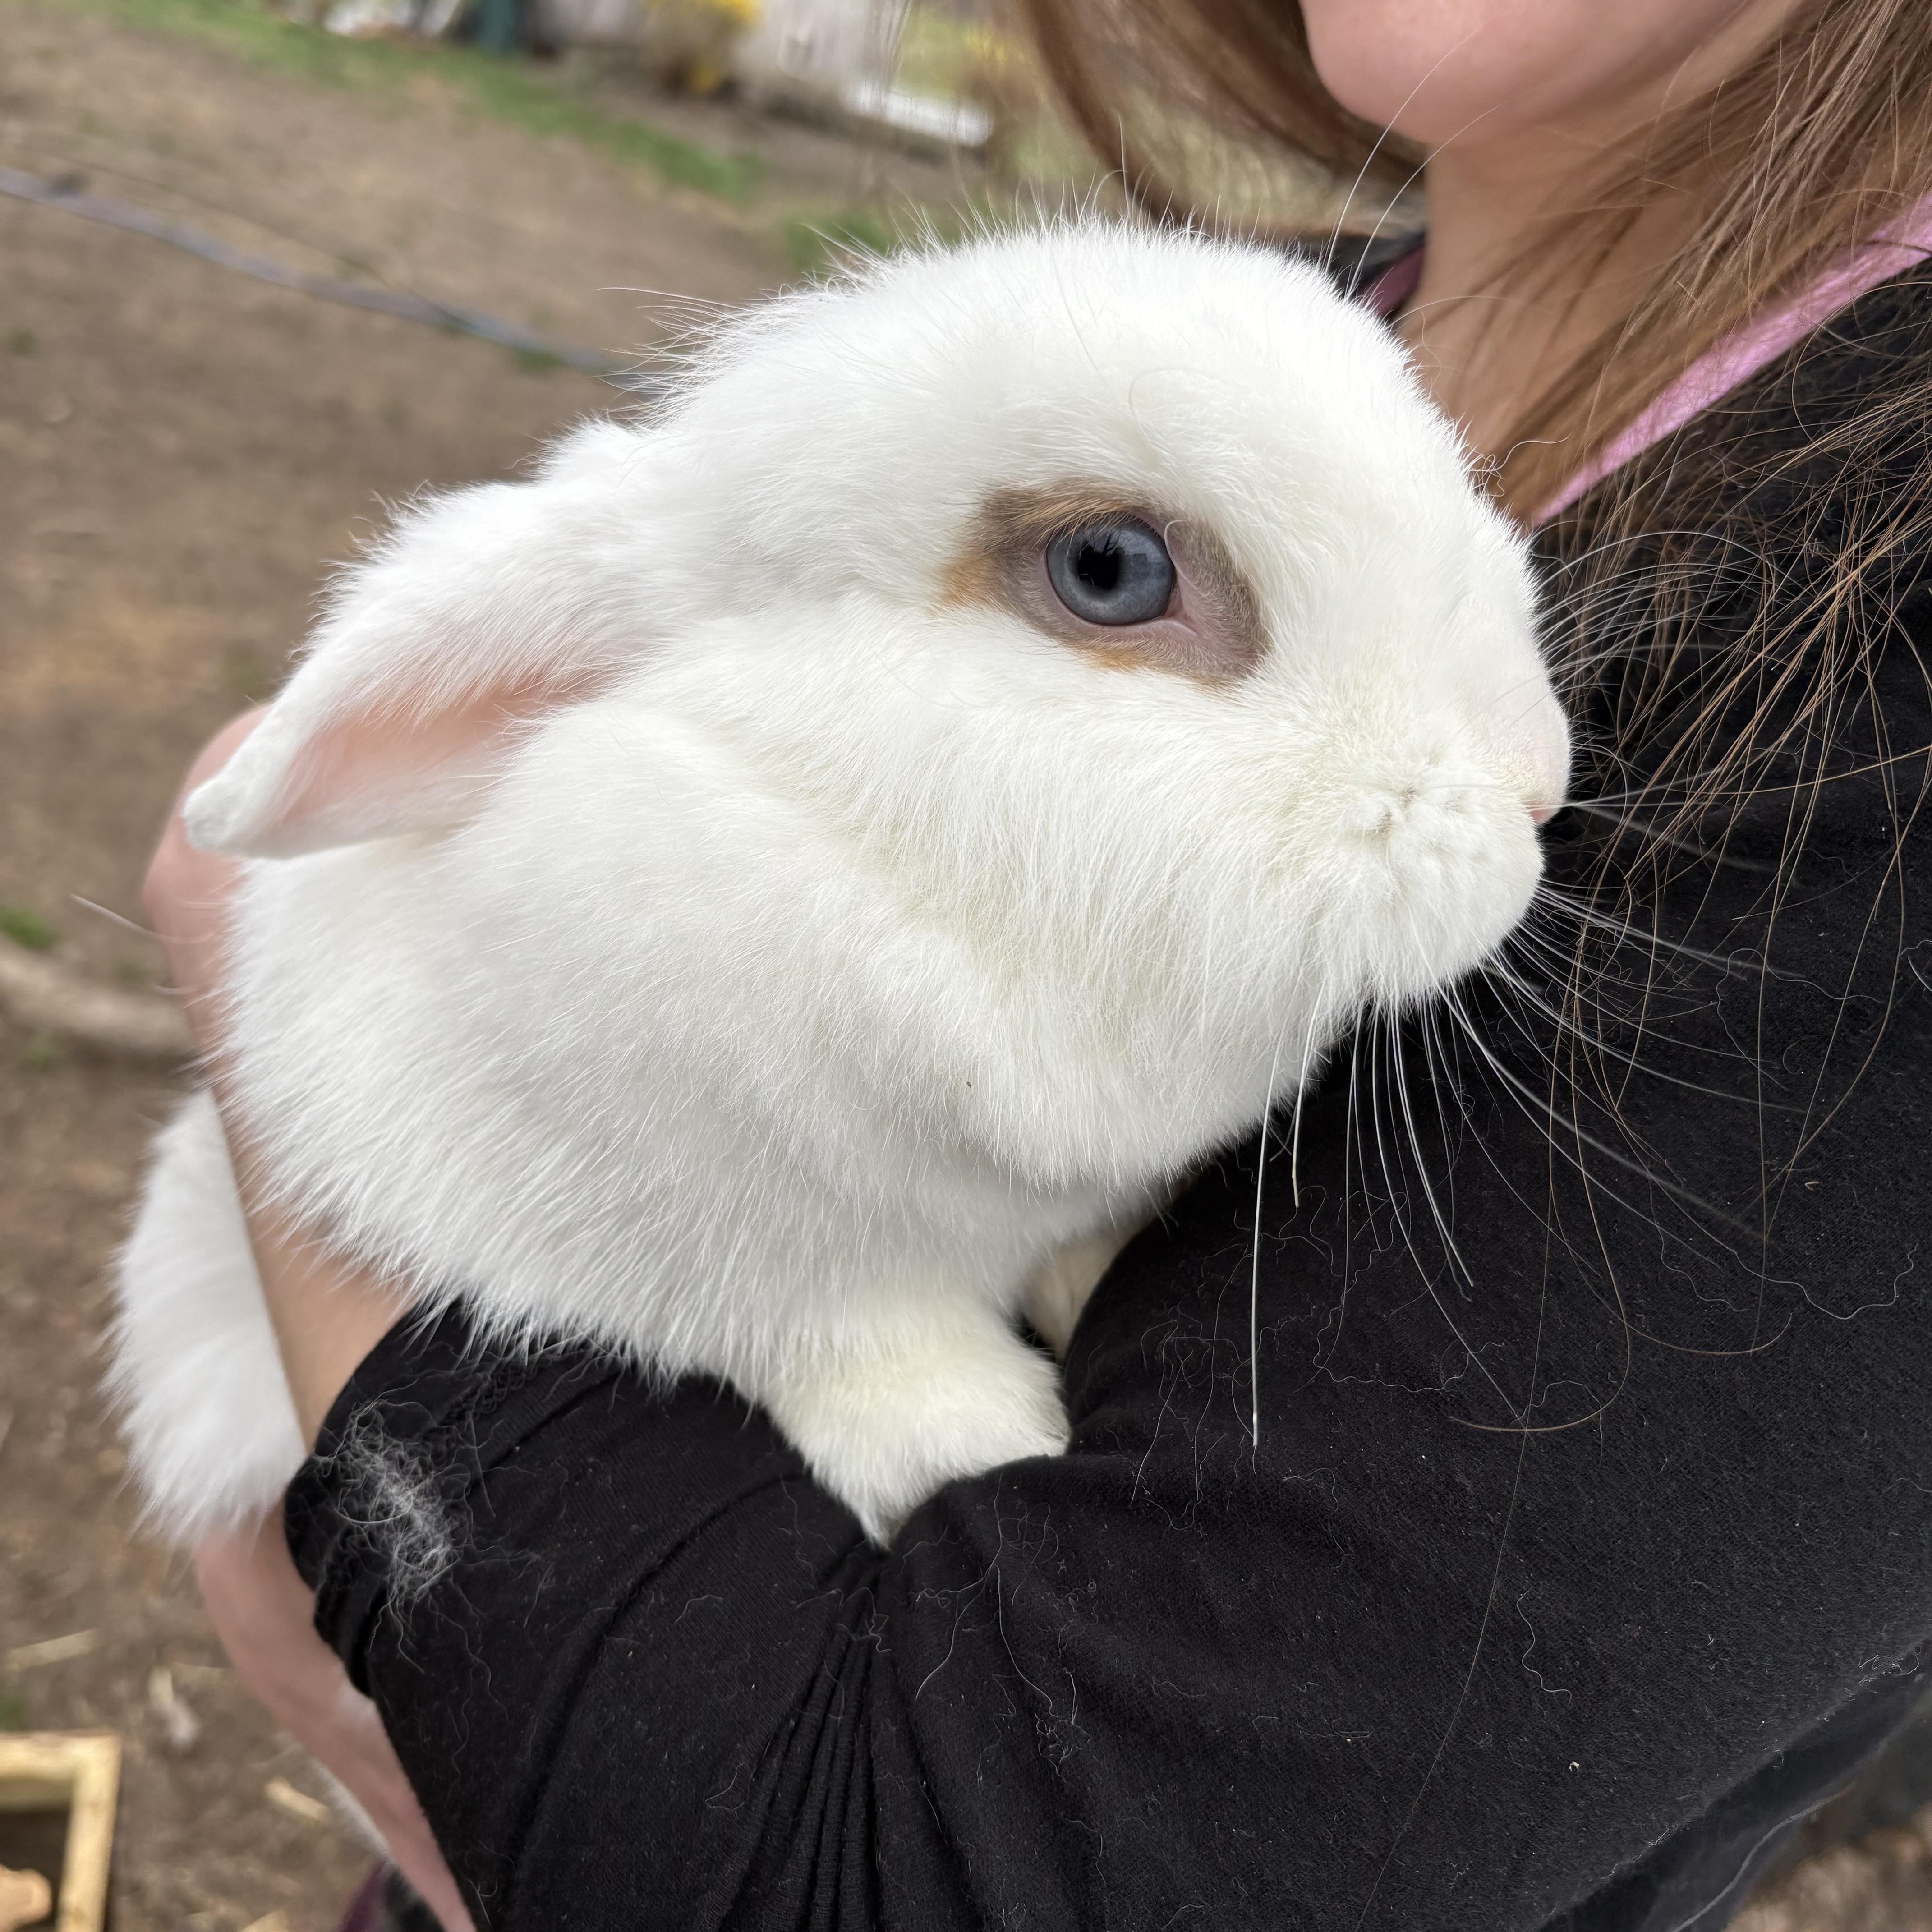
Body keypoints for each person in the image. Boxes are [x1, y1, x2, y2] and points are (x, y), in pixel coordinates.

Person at [148, 0, 1932, 1926]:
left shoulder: (1875, 642)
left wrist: (356, 1307)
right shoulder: (1278, 308)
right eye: (1110, 575)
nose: (1535, 763)